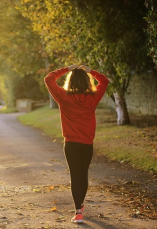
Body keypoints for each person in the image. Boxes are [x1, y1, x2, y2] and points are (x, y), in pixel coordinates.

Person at [44, 64, 109, 224]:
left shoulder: (64, 97)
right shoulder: (93, 98)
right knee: (83, 174)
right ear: (87, 82)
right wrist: (90, 71)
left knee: (75, 175)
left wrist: (66, 69)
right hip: (87, 143)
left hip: (71, 144)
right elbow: (105, 81)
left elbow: (48, 78)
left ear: (70, 81)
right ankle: (80, 205)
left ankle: (78, 211)